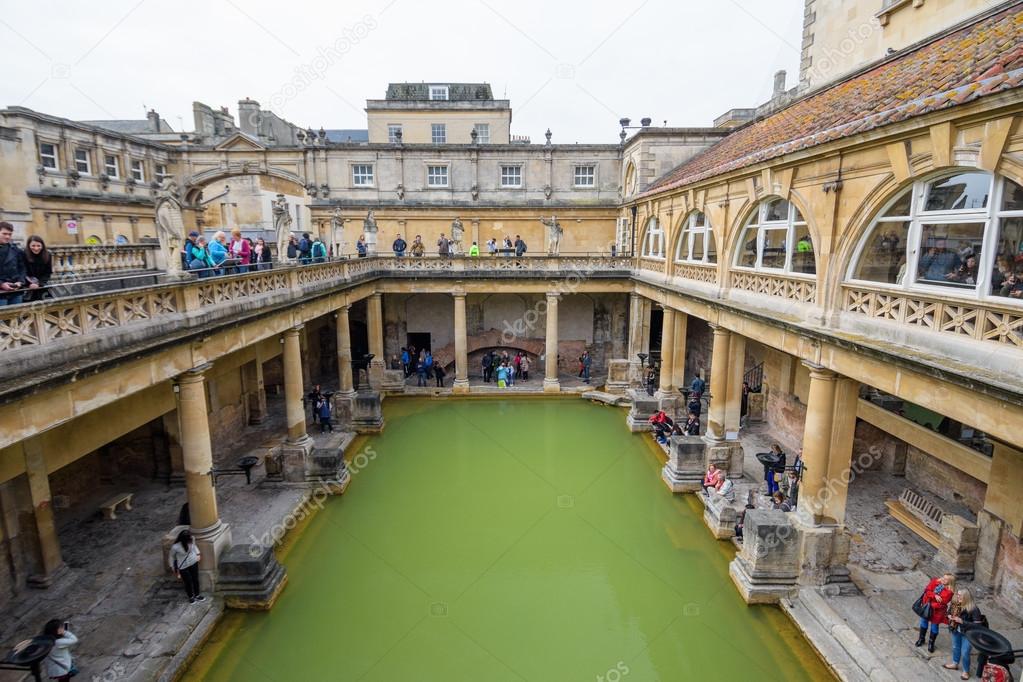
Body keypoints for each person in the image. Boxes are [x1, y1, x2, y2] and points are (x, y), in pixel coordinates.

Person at [944, 587, 984, 679]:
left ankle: (966, 671)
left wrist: (962, 622)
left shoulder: (974, 609)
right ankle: (955, 663)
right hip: (955, 629)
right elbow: (948, 613)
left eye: (960, 596)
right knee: (955, 648)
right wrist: (949, 616)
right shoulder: (955, 604)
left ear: (966, 597)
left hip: (968, 633)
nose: (958, 597)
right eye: (957, 595)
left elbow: (978, 626)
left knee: (965, 652)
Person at [916, 573, 955, 652]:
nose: (943, 579)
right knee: (924, 621)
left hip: (937, 611)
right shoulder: (935, 582)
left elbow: (942, 603)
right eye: (943, 577)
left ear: (950, 582)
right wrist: (934, 596)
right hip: (927, 607)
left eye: (946, 579)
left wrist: (930, 600)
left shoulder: (949, 592)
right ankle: (921, 638)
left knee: (934, 626)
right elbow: (927, 591)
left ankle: (931, 643)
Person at [169, 528, 204, 603]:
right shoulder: (175, 547)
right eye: (189, 538)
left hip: (194, 562)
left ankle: (197, 595)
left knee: (195, 579)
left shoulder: (192, 539)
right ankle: (191, 596)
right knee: (188, 581)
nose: (191, 538)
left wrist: (198, 554)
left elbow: (194, 546)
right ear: (184, 540)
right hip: (183, 566)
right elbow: (171, 556)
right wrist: (172, 566)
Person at [0, 222, 26, 306]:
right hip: (1, 292)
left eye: (10, 234)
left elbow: (22, 268)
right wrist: (1, 284)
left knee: (16, 316)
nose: (7, 236)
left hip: (15, 291)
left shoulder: (15, 249)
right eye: (4, 234)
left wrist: (20, 282)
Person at [24, 235, 53, 302]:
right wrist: (30, 284)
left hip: (41, 286)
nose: (36, 248)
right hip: (27, 287)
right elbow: (23, 271)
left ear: (42, 246)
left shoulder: (47, 255)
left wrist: (39, 283)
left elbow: (48, 272)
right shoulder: (23, 254)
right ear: (29, 246)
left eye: (38, 246)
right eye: (33, 246)